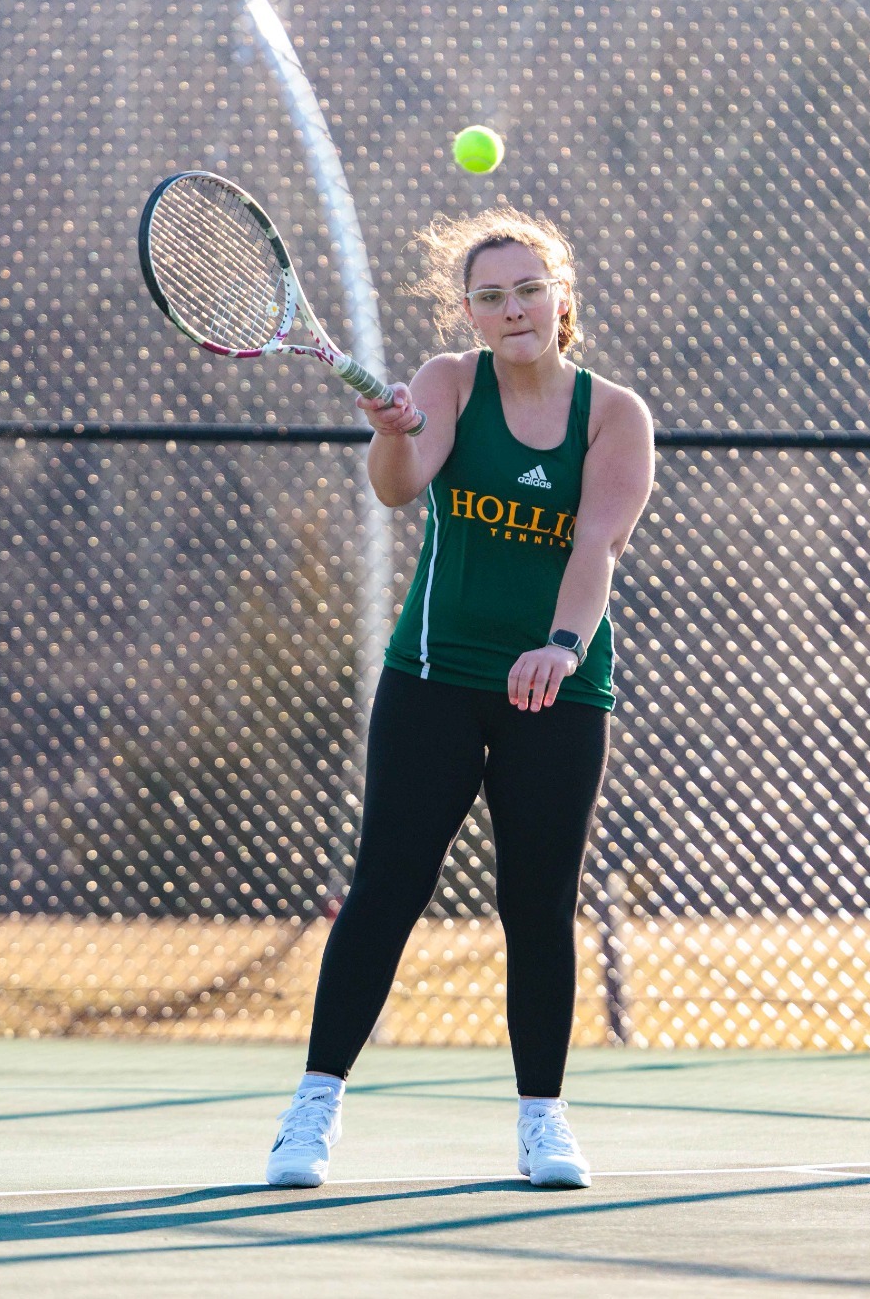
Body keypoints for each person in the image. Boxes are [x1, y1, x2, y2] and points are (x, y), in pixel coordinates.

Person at [265, 207, 654, 1190]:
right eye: (490, 296)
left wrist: (561, 649)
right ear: (470, 314)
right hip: (432, 679)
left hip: (557, 692)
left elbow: (593, 544)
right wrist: (387, 430)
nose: (512, 307)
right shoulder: (444, 384)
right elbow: (400, 487)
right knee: (385, 888)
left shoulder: (613, 415)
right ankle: (311, 1111)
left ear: (561, 296)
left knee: (537, 905)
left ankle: (543, 1121)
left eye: (528, 288)